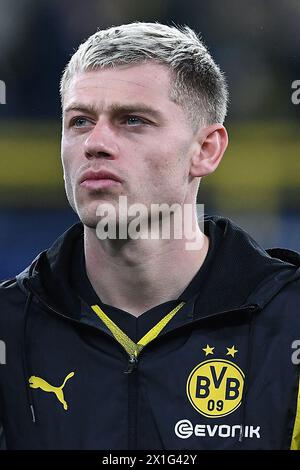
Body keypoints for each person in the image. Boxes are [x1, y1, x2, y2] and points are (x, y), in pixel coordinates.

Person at [0, 22, 300, 451]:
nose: (95, 143)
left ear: (206, 150)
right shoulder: (8, 329)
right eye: (80, 121)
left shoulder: (289, 323)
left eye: (133, 120)